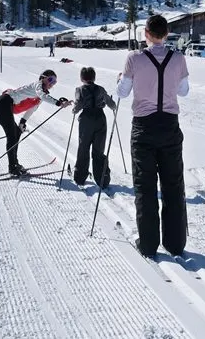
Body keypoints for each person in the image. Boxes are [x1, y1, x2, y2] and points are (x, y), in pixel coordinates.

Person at [117, 14, 190, 258]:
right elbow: (184, 91)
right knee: (173, 185)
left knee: (145, 186)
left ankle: (148, 244)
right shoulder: (178, 58)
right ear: (166, 34)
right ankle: (175, 243)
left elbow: (123, 93)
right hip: (169, 124)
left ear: (146, 34)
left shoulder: (134, 58)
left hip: (144, 127)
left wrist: (121, 80)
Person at [0, 70, 70, 176]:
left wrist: (22, 122)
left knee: (17, 133)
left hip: (6, 107)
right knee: (12, 136)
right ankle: (12, 168)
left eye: (54, 81)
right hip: (1, 104)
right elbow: (42, 95)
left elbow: (31, 109)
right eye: (50, 79)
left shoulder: (41, 95)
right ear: (43, 78)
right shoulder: (38, 86)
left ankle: (15, 164)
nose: (52, 83)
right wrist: (58, 103)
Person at [72, 66, 117, 189]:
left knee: (84, 147)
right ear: (94, 77)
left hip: (86, 119)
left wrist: (74, 110)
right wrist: (113, 106)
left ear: (82, 78)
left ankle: (80, 177)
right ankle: (102, 179)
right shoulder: (101, 89)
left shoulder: (79, 90)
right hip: (100, 119)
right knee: (98, 150)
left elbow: (77, 106)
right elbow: (112, 105)